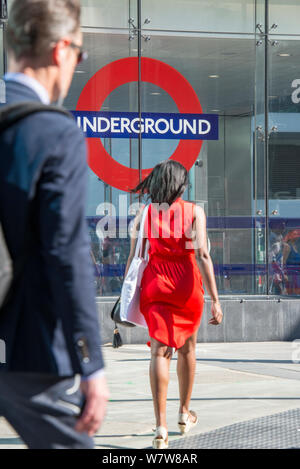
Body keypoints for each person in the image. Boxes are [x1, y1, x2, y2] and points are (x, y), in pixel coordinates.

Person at [0, 0, 108, 449]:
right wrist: (92, 362)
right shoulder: (53, 132)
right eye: (80, 55)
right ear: (62, 49)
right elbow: (66, 254)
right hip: (26, 349)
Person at [125, 160, 223, 449]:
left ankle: (160, 427)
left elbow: (134, 257)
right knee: (188, 349)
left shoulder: (144, 213)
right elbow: (202, 255)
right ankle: (184, 413)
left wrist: (126, 291)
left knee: (159, 352)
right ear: (181, 183)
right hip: (186, 286)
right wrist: (216, 300)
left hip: (155, 285)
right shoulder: (195, 212)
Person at [282, 229, 300, 295]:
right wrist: (284, 274)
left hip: (297, 273)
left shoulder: (296, 246)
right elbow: (283, 261)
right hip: (291, 274)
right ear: (290, 236)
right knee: (292, 292)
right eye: (294, 235)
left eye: (297, 235)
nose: (297, 236)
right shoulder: (287, 247)